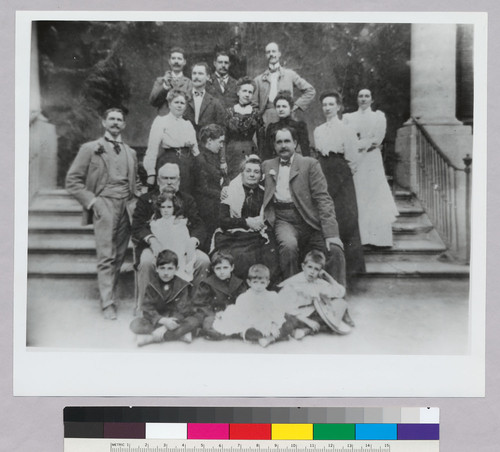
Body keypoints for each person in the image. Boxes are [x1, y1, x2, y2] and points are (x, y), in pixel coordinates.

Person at [65, 108, 141, 320]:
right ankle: (107, 303)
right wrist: (92, 201)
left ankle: (110, 296)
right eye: (112, 119)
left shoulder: (131, 152)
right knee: (106, 255)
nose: (116, 123)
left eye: (119, 120)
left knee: (118, 255)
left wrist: (138, 200)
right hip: (104, 204)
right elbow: (72, 181)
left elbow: (136, 182)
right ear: (104, 122)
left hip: (126, 206)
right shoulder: (90, 148)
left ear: (124, 125)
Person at [262, 126, 346, 286]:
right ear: (274, 145)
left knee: (334, 249)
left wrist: (331, 233)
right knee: (288, 247)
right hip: (283, 220)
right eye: (279, 142)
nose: (283, 145)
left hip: (309, 220)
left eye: (287, 141)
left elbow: (323, 199)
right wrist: (228, 190)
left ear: (295, 143)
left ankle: (336, 296)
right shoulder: (267, 165)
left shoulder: (310, 164)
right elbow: (246, 177)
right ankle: (292, 295)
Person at [132, 163, 211, 311]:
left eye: (173, 179)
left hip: (182, 247)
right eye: (165, 178)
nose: (169, 182)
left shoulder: (187, 200)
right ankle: (145, 310)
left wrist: (192, 241)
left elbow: (198, 224)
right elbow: (137, 226)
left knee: (203, 261)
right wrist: (151, 239)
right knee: (147, 261)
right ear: (158, 181)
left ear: (179, 181)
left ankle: (195, 309)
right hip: (155, 246)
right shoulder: (146, 199)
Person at [313, 91, 366, 281]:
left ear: (338, 107)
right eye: (324, 105)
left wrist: (343, 176)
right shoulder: (318, 130)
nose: (327, 108)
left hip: (341, 174)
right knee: (326, 215)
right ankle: (328, 267)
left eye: (330, 104)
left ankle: (351, 271)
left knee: (346, 217)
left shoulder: (346, 129)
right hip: (323, 172)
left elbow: (353, 159)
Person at [343, 88, 399, 247]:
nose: (363, 99)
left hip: (372, 160)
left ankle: (378, 239)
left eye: (367, 96)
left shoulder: (378, 117)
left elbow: (377, 140)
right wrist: (359, 144)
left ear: (372, 99)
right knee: (359, 194)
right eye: (360, 96)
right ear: (357, 99)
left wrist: (360, 144)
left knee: (374, 195)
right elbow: (347, 138)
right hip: (356, 159)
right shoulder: (349, 118)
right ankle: (361, 237)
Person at [213, 155, 280, 284]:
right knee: (242, 256)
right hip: (234, 236)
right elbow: (223, 220)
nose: (252, 175)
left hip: (258, 235)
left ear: (261, 176)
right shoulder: (231, 191)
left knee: (270, 255)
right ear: (242, 173)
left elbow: (269, 219)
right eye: (248, 171)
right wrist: (246, 222)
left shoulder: (264, 193)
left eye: (256, 172)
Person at [130, 250, 202, 346]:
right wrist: (162, 320)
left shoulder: (182, 285)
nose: (166, 272)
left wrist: (166, 326)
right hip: (158, 320)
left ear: (177, 269)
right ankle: (178, 335)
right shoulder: (152, 285)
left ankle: (152, 337)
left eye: (170, 268)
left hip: (176, 320)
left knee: (194, 321)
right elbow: (147, 308)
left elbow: (183, 310)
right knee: (135, 325)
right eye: (162, 268)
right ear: (156, 269)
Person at [143, 89, 204, 199]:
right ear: (169, 104)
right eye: (176, 102)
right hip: (168, 161)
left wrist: (202, 167)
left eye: (182, 103)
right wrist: (151, 173)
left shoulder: (188, 124)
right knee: (168, 196)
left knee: (186, 196)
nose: (179, 106)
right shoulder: (161, 121)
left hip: (187, 165)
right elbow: (152, 149)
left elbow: (196, 150)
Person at [278, 250, 352, 339]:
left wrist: (328, 277)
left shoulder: (318, 283)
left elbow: (340, 292)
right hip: (295, 315)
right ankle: (305, 329)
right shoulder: (294, 283)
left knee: (336, 306)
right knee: (285, 319)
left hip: (310, 313)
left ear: (320, 271)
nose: (312, 272)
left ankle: (306, 330)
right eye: (309, 267)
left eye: (316, 269)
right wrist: (308, 321)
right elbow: (286, 307)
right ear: (303, 266)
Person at [212, 264, 288, 347]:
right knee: (248, 331)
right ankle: (262, 337)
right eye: (255, 282)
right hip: (252, 324)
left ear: (267, 283)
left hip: (269, 323)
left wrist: (273, 325)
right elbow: (241, 315)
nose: (258, 286)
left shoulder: (272, 296)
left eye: (262, 282)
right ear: (249, 282)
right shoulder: (244, 297)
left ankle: (269, 338)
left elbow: (277, 312)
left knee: (286, 325)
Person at [253, 42, 316, 125]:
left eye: (274, 51)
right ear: (266, 55)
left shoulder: (290, 74)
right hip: (266, 118)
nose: (271, 54)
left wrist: (296, 106)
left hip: (286, 117)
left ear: (279, 54)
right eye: (268, 52)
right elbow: (253, 105)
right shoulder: (258, 80)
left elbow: (310, 90)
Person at [194, 251, 247, 340]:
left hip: (232, 314)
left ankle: (236, 331)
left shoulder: (238, 283)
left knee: (245, 323)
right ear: (213, 269)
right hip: (214, 314)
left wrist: (232, 313)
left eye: (225, 267)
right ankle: (204, 331)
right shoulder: (208, 283)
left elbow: (243, 302)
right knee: (212, 328)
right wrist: (214, 314)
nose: (222, 272)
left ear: (232, 267)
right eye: (218, 268)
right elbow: (200, 304)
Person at [149, 191, 196, 281]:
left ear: (174, 208)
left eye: (169, 207)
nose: (166, 210)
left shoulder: (180, 224)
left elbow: (185, 247)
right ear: (159, 208)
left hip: (179, 261)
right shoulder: (155, 225)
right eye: (163, 207)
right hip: (162, 262)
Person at [225, 77, 264, 179]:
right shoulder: (229, 112)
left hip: (249, 150)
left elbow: (261, 140)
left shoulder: (256, 113)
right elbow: (224, 138)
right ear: (238, 92)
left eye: (250, 92)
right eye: (244, 91)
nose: (247, 94)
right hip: (232, 151)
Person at [197, 124, 228, 249]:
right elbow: (201, 187)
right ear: (209, 141)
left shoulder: (213, 157)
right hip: (205, 208)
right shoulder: (201, 159)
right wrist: (219, 194)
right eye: (220, 142)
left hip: (215, 205)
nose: (221, 146)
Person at [263, 90, 310, 160]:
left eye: (284, 106)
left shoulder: (299, 126)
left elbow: (305, 151)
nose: (281, 109)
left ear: (290, 108)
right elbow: (267, 152)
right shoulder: (272, 127)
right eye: (278, 107)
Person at [184, 62, 227, 135]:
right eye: (194, 73)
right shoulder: (183, 98)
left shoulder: (215, 102)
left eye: (200, 74)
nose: (196, 77)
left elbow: (222, 128)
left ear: (208, 77)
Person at [149, 46, 193, 116]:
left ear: (184, 62)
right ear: (169, 61)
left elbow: (190, 105)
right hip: (164, 120)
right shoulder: (160, 81)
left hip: (182, 120)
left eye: (179, 59)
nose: (176, 61)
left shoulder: (189, 83)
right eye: (173, 58)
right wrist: (165, 86)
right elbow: (153, 102)